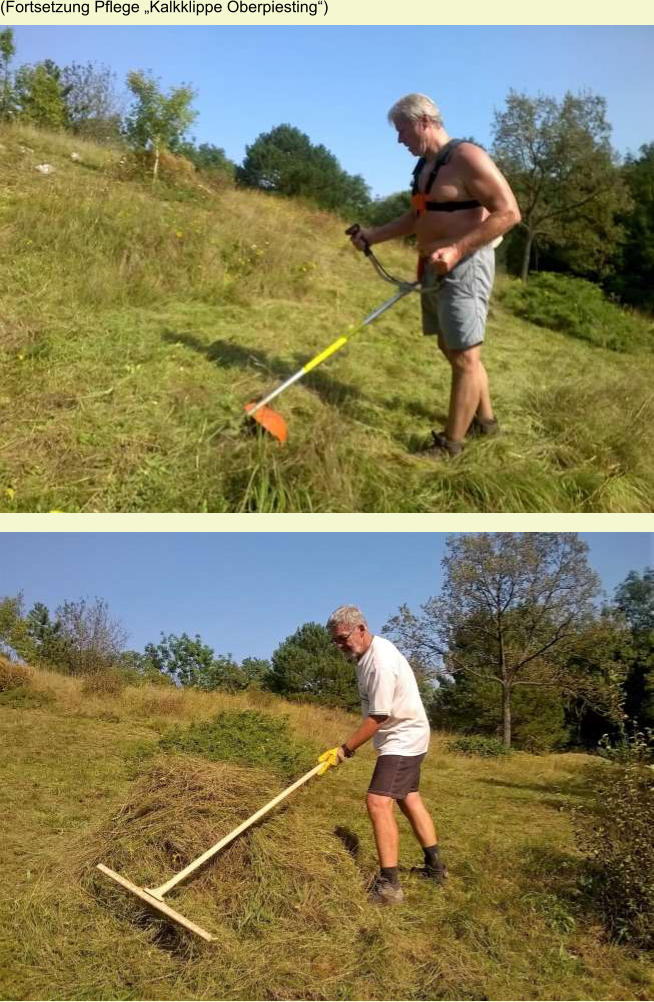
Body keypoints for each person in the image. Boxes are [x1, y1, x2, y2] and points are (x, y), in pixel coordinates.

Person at [349, 93, 521, 460]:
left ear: (424, 121)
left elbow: (508, 213)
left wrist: (458, 249)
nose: (400, 140)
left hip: (464, 267)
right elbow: (417, 219)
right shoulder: (425, 168)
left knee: (464, 356)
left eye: (403, 130)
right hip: (432, 266)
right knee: (454, 348)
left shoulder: (467, 158)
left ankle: (451, 446)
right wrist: (373, 235)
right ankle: (485, 423)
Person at [319, 604, 446, 905]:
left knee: (377, 802)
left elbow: (378, 718)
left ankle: (390, 887)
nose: (339, 646)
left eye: (342, 638)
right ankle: (436, 868)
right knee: (409, 797)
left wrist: (344, 750)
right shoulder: (364, 657)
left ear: (361, 629)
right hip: (404, 735)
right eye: (334, 641)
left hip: (403, 738)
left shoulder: (380, 662)